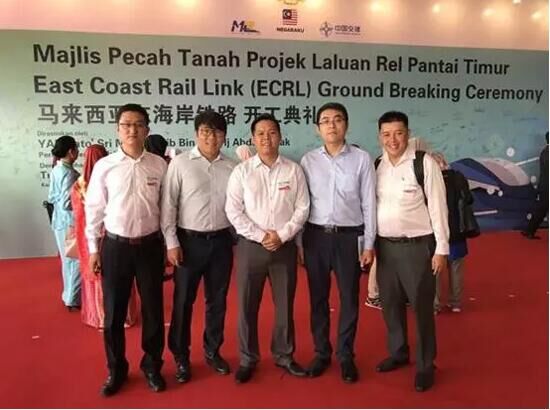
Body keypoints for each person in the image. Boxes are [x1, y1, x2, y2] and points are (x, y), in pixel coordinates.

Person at [85, 103, 168, 396]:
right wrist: (93, 249)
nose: (132, 130)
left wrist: (169, 243)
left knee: (153, 311)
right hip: (115, 247)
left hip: (149, 247)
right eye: (126, 125)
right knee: (114, 313)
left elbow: (166, 209)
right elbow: (94, 209)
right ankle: (116, 369)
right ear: (117, 129)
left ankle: (152, 366)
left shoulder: (159, 165)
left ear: (147, 129)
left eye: (138, 124)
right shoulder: (105, 166)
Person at [225, 113, 310, 384]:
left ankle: (284, 355)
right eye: (260, 133)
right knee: (247, 305)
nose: (266, 138)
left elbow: (303, 208)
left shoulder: (293, 170)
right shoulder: (242, 172)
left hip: (284, 247)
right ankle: (248, 358)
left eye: (272, 132)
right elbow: (233, 211)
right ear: (253, 138)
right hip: (251, 247)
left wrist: (282, 235)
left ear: (280, 137)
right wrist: (262, 236)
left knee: (284, 304)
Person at [299, 102, 376, 383]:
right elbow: (302, 204)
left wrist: (369, 244)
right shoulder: (308, 161)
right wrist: (299, 244)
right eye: (325, 120)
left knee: (349, 298)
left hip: (349, 238)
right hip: (315, 237)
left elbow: (369, 203)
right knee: (318, 298)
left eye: (337, 119)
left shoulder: (362, 159)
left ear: (347, 124)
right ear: (317, 128)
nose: (331, 125)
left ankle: (345, 355)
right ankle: (321, 353)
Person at [374, 111, 449, 392]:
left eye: (398, 133)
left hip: (418, 247)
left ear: (407, 133)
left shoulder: (423, 163)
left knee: (421, 307)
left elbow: (439, 208)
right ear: (379, 136)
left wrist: (441, 249)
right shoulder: (378, 165)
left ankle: (426, 364)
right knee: (390, 304)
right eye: (386, 134)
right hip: (385, 247)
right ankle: (398, 352)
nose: (393, 140)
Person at [160, 111, 237, 384]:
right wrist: (171, 242)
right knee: (183, 302)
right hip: (188, 242)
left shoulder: (232, 166)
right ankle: (181, 356)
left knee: (217, 301)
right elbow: (168, 204)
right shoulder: (180, 164)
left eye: (217, 132)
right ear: (196, 134)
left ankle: (213, 351)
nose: (211, 137)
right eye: (205, 131)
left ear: (224, 136)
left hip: (222, 242)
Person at [70, 144, 139, 329]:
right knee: (119, 277)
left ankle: (99, 316)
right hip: (112, 235)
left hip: (89, 236)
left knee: (97, 278)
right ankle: (125, 316)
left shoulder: (79, 185)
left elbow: (78, 211)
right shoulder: (109, 176)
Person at [431, 152, 473, 314]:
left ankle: (435, 305)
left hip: (436, 231)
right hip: (457, 229)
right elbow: (469, 199)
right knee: (456, 268)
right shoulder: (458, 177)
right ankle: (456, 303)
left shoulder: (432, 180)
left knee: (434, 269)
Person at [48, 135, 81, 311]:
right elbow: (67, 203)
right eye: (76, 149)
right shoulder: (69, 174)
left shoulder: (57, 169)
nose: (78, 152)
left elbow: (52, 197)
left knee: (67, 261)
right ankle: (73, 298)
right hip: (70, 222)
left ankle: (68, 294)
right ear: (70, 151)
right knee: (75, 261)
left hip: (59, 221)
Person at [522, 131, 549, 239]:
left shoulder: (545, 152)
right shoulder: (547, 153)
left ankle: (529, 231)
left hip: (545, 187)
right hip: (547, 187)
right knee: (541, 210)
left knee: (541, 210)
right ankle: (529, 231)